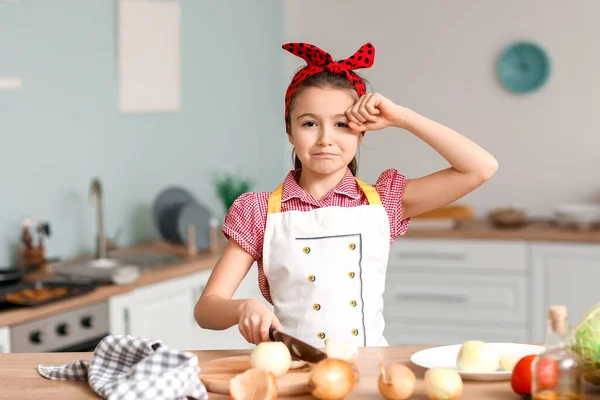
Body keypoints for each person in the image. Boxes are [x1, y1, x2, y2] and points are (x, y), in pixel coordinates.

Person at [194, 42, 498, 348]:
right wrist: (242, 307)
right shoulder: (259, 212)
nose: (326, 139)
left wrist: (401, 117)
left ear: (361, 131)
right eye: (309, 123)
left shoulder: (384, 202)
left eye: (341, 124)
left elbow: (481, 168)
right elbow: (207, 308)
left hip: (368, 374)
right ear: (289, 131)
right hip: (293, 373)